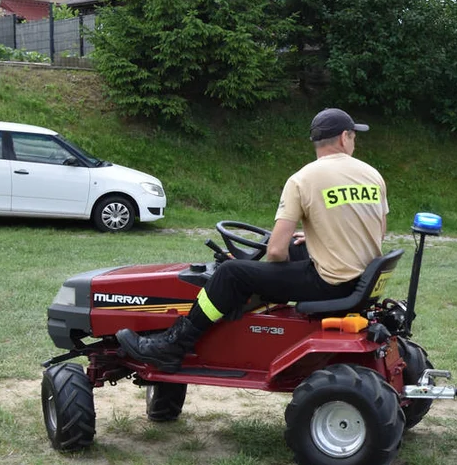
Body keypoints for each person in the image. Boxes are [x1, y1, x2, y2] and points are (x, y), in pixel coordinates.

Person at [117, 108, 389, 371]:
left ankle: (173, 346)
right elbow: (377, 230)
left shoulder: (303, 179)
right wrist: (315, 236)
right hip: (361, 281)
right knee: (295, 247)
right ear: (344, 137)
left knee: (231, 273)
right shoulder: (372, 175)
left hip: (330, 284)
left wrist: (269, 269)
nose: (354, 141)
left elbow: (274, 253)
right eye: (354, 136)